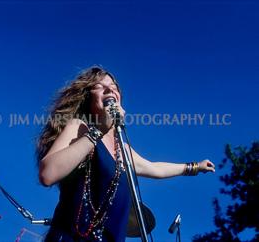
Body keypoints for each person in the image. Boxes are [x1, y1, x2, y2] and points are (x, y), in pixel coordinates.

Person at [36, 66, 215, 242]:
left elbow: (155, 168)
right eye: (100, 86)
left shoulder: (122, 147)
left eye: (114, 87)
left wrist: (194, 167)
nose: (109, 89)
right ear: (88, 98)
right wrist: (98, 131)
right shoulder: (79, 128)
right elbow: (48, 174)